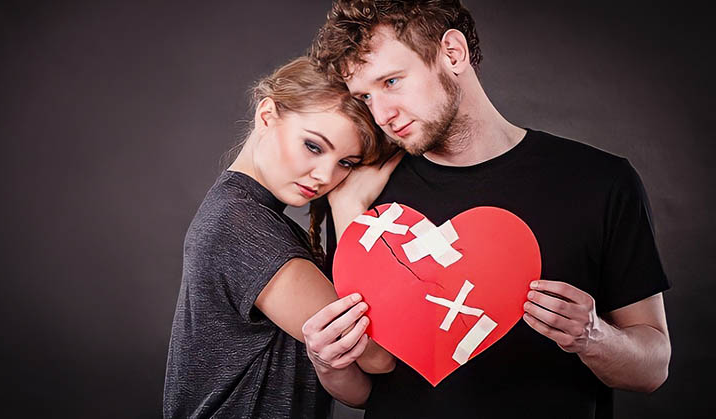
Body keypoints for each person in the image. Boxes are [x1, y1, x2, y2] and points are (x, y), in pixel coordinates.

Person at [302, 1, 672, 418]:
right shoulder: (362, 199)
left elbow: (653, 367)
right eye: (366, 96)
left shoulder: (600, 181)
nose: (382, 114)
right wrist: (327, 364)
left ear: (453, 53)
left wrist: (594, 336)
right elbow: (370, 385)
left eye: (392, 81)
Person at [162, 56, 398, 419]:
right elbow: (379, 355)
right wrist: (350, 203)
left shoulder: (246, 213)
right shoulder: (240, 226)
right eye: (314, 146)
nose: (324, 175)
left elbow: (361, 392)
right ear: (267, 115)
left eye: (346, 163)